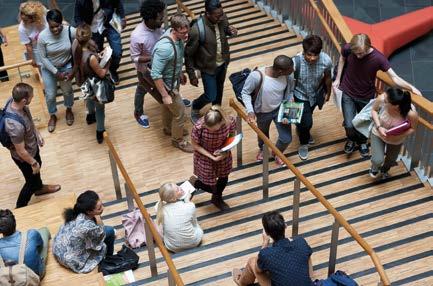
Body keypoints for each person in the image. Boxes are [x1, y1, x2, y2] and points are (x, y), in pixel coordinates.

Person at [333, 33, 421, 158]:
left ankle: (362, 142)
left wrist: (411, 87)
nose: (358, 56)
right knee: (349, 124)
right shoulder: (348, 48)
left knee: (364, 121)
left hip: (365, 95)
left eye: (361, 53)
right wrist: (337, 79)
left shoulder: (378, 58)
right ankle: (352, 139)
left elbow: (394, 78)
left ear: (368, 47)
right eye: (356, 53)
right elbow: (342, 58)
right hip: (348, 91)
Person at [4, 83, 61, 208]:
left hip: (32, 148)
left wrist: (37, 133)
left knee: (37, 169)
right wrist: (33, 163)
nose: (32, 98)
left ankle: (39, 188)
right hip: (25, 158)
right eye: (31, 97)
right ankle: (20, 208)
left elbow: (28, 118)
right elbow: (21, 151)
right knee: (30, 182)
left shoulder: (15, 101)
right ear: (24, 100)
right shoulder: (14, 126)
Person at [185, 0, 237, 123]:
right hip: (208, 67)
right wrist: (191, 74)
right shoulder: (197, 30)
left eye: (222, 14)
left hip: (222, 63)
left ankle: (216, 111)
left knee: (219, 90)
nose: (221, 17)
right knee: (210, 95)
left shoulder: (222, 18)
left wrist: (230, 31)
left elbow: (224, 31)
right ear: (207, 14)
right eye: (217, 16)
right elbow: (188, 54)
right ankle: (196, 106)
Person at [232, 211, 314, 286]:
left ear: (266, 233)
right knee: (306, 253)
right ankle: (311, 280)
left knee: (253, 262)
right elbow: (307, 257)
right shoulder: (301, 242)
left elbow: (258, 269)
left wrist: (265, 242)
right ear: (285, 225)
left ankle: (241, 282)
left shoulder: (266, 254)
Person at [150, 13, 193, 153]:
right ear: (174, 30)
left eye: (187, 31)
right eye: (183, 32)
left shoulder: (177, 38)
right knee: (180, 113)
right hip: (167, 86)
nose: (186, 35)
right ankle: (178, 140)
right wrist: (164, 95)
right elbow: (156, 75)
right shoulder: (165, 48)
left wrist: (179, 72)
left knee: (167, 108)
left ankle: (169, 128)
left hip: (173, 79)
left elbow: (176, 58)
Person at [241, 55, 294, 166]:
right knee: (263, 135)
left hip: (279, 110)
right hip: (262, 112)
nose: (292, 70)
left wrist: (288, 111)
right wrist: (250, 111)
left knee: (286, 138)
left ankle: (277, 153)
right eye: (290, 69)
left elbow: (290, 92)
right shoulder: (256, 76)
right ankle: (262, 149)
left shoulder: (288, 76)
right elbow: (245, 93)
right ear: (280, 71)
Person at [52, 190, 115, 273]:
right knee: (110, 231)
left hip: (59, 248)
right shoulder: (87, 227)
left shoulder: (77, 213)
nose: (103, 208)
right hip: (71, 259)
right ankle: (109, 259)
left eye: (101, 205)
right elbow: (100, 236)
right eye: (99, 208)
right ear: (89, 211)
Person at [293, 35, 332, 160]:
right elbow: (288, 81)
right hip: (300, 95)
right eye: (309, 54)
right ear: (304, 51)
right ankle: (303, 144)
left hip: (315, 95)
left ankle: (301, 129)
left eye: (315, 55)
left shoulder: (326, 60)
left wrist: (328, 93)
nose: (312, 58)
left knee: (305, 118)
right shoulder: (295, 62)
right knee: (307, 122)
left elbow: (327, 77)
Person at [190, 105, 236, 210]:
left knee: (224, 177)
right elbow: (195, 145)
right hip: (204, 154)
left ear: (221, 122)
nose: (209, 130)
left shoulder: (229, 121)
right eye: (207, 128)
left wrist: (225, 151)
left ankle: (217, 198)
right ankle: (196, 183)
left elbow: (231, 135)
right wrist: (211, 156)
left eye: (213, 129)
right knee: (209, 183)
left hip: (222, 152)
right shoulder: (199, 127)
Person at [38, 9, 75, 133]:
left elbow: (83, 39)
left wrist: (74, 69)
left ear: (61, 23)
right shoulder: (42, 36)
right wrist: (55, 72)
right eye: (51, 27)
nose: (55, 29)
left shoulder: (70, 31)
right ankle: (53, 115)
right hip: (49, 69)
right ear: (47, 24)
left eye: (57, 26)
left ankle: (69, 109)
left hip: (66, 66)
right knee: (50, 95)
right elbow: (42, 58)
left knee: (67, 91)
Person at [130, 0, 165, 128]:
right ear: (150, 19)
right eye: (160, 18)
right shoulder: (136, 35)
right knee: (142, 88)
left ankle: (175, 99)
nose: (162, 21)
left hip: (162, 66)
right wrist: (154, 57)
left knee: (167, 84)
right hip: (145, 71)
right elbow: (134, 58)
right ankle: (138, 113)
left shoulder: (158, 26)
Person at [73, 23, 111, 144]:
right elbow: (101, 73)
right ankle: (100, 131)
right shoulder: (91, 58)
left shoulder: (75, 45)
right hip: (94, 84)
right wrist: (108, 61)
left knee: (88, 98)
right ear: (89, 38)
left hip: (83, 81)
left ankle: (90, 116)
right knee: (100, 107)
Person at [370, 88, 418, 178]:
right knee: (377, 159)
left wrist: (397, 136)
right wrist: (379, 127)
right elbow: (374, 110)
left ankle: (384, 170)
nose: (383, 99)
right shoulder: (382, 98)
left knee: (391, 160)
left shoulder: (410, 113)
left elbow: (413, 128)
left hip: (396, 139)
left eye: (386, 101)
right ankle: (374, 167)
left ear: (395, 106)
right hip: (378, 132)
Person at [74, 0, 126, 84]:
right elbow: (77, 18)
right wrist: (86, 36)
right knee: (97, 54)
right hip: (93, 29)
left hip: (109, 23)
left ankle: (112, 70)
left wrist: (122, 18)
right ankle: (101, 73)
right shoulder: (81, 1)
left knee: (117, 52)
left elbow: (118, 2)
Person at [0, 209, 50, 278]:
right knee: (44, 231)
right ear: (15, 223)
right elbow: (41, 244)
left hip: (11, 280)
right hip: (36, 276)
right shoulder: (32, 234)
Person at [156, 182, 203, 253]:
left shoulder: (158, 208)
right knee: (196, 225)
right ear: (173, 198)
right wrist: (187, 201)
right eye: (177, 189)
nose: (180, 188)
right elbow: (194, 223)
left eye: (178, 186)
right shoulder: (190, 206)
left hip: (172, 247)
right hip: (194, 242)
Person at [18, 1, 48, 67]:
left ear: (34, 18)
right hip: (38, 51)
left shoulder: (43, 12)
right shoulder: (22, 28)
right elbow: (28, 46)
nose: (23, 22)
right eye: (22, 19)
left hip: (51, 46)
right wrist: (32, 59)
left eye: (26, 20)